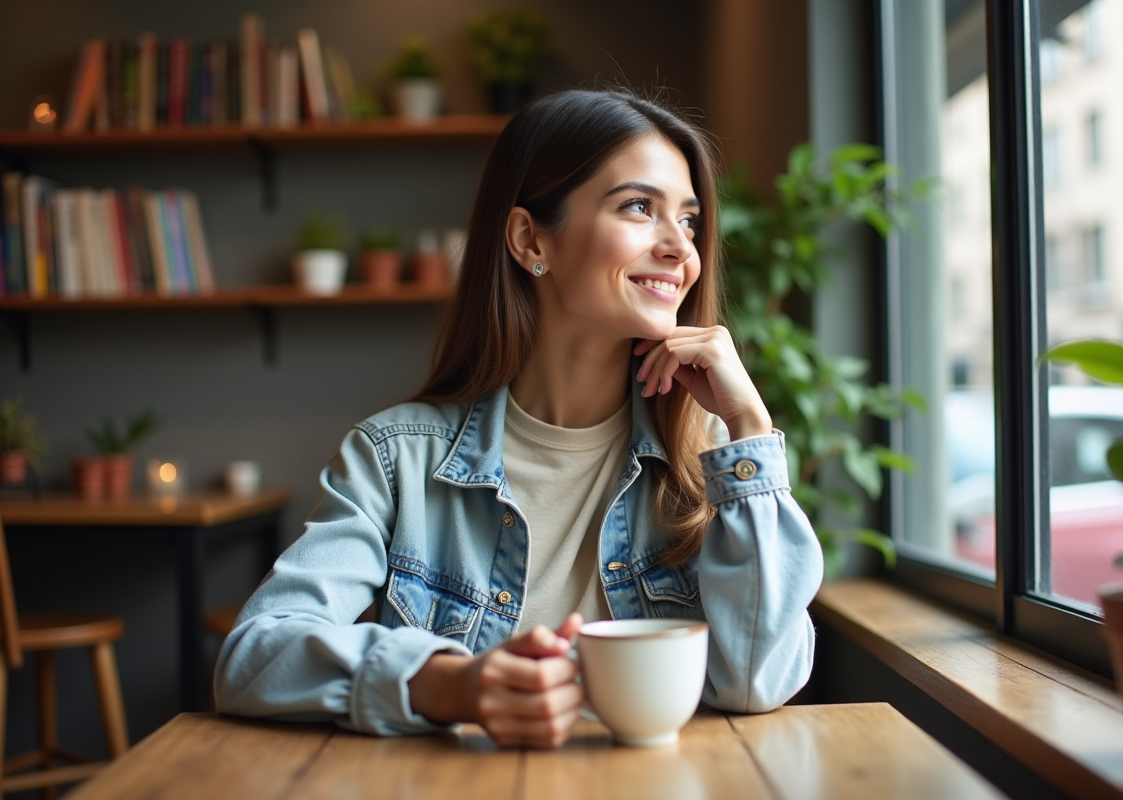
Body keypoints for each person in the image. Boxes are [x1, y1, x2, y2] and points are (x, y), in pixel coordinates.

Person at [214, 87, 824, 749]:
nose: (681, 248)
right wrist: (455, 685)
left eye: (690, 219)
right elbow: (253, 658)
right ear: (531, 238)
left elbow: (758, 682)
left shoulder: (713, 460)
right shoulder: (395, 459)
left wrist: (751, 430)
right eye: (640, 207)